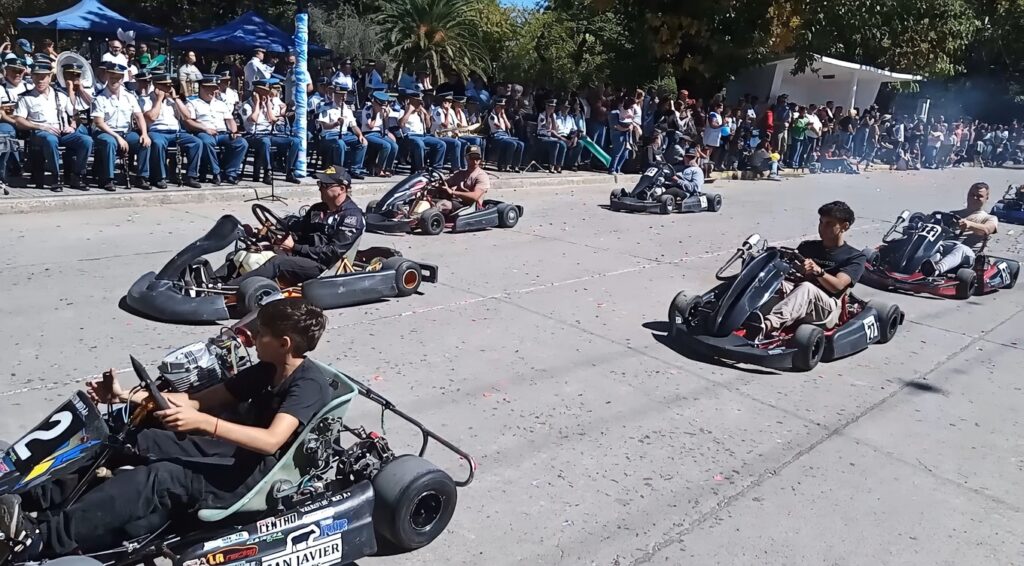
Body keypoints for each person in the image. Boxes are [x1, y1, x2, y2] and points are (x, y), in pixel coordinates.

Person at [0, 298, 333, 564]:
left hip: (258, 475)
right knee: (131, 439)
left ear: (284, 343)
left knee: (161, 478)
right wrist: (124, 395)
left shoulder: (308, 385)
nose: (254, 337)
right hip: (232, 452)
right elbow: (198, 401)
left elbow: (271, 441)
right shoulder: (267, 369)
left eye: (262, 333)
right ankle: (30, 494)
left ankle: (39, 540)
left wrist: (205, 424)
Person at [747, 201, 867, 340]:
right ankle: (739, 314)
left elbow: (838, 286)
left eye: (829, 224)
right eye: (821, 222)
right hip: (798, 292)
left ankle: (766, 326)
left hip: (828, 306)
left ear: (844, 227)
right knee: (770, 280)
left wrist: (818, 272)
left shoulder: (854, 256)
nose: (822, 227)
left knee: (806, 287)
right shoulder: (807, 247)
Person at [231, 167, 364, 286]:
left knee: (277, 262)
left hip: (324, 267)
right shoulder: (318, 209)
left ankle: (230, 288)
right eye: (320, 184)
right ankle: (220, 281)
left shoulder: (351, 217)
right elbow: (298, 229)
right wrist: (265, 232)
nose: (320, 188)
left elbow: (332, 253)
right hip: (303, 255)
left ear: (342, 189)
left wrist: (295, 247)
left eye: (325, 185)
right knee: (249, 251)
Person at [12, 61, 93, 191]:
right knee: (50, 140)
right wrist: (41, 127)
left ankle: (77, 176)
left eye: (43, 77)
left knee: (86, 141)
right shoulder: (26, 97)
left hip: (62, 131)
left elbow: (75, 114)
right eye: (37, 76)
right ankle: (56, 177)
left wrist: (72, 125)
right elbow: (19, 120)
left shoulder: (60, 95)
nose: (40, 80)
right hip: (40, 132)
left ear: (49, 77)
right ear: (32, 77)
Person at [91, 62, 152, 191]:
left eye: (118, 78)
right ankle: (108, 179)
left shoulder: (129, 96)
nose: (114, 80)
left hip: (126, 132)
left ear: (122, 78)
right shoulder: (100, 97)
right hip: (106, 132)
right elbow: (99, 122)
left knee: (144, 143)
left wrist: (144, 134)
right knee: (110, 142)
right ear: (107, 76)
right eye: (112, 77)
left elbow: (139, 116)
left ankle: (142, 177)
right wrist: (118, 137)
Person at [920, 182, 998, 277]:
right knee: (933, 244)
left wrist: (969, 225)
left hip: (969, 254)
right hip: (946, 246)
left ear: (986, 198)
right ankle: (916, 266)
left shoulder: (989, 218)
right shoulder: (953, 214)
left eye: (979, 196)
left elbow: (987, 229)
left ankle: (936, 269)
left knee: (961, 248)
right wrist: (928, 221)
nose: (974, 198)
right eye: (972, 195)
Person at [141, 74, 202, 189]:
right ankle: (159, 177)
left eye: (169, 86)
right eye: (164, 86)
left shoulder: (172, 101)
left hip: (176, 132)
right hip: (157, 131)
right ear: (156, 86)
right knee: (158, 143)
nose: (168, 88)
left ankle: (191, 176)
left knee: (196, 142)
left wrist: (175, 99)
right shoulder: (146, 100)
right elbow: (152, 117)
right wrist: (159, 100)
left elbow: (187, 116)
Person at [185, 74, 247, 185]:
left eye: (215, 89)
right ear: (202, 88)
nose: (213, 92)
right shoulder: (192, 103)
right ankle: (216, 172)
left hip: (222, 133)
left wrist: (234, 131)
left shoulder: (221, 104)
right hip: (204, 132)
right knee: (206, 142)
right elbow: (190, 122)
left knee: (241, 143)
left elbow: (229, 120)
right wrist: (205, 129)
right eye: (210, 88)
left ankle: (230, 173)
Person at [241, 79, 301, 184]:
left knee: (295, 141)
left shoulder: (267, 104)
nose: (266, 95)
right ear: (255, 92)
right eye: (263, 92)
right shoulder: (246, 105)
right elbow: (254, 119)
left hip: (269, 134)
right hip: (253, 135)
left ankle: (290, 172)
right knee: (265, 142)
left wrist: (268, 106)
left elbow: (272, 120)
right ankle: (267, 172)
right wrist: (257, 104)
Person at [317, 86, 368, 178]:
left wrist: (360, 135)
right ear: (335, 95)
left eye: (344, 95)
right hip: (329, 135)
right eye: (340, 95)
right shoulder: (326, 107)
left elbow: (353, 125)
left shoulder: (347, 110)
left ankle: (355, 170)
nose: (343, 97)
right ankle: (338, 170)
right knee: (340, 144)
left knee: (362, 143)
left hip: (344, 134)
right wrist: (336, 123)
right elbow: (325, 126)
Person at [1, 54, 30, 191]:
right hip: (8, 121)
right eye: (14, 71)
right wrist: (16, 122)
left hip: (30, 121)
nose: (17, 74)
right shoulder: (1, 88)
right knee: (6, 131)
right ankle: (14, 166)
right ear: (6, 71)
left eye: (20, 71)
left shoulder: (29, 86)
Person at [398, 90, 445, 173]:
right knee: (419, 144)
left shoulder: (420, 112)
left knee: (441, 144)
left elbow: (428, 126)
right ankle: (420, 168)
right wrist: (409, 111)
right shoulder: (404, 110)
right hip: (409, 136)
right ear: (411, 100)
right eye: (417, 101)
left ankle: (437, 169)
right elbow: (401, 124)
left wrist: (426, 115)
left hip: (422, 135)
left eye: (420, 101)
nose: (419, 103)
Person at [436, 144, 489, 213]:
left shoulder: (482, 176)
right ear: (466, 158)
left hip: (471, 207)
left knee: (443, 205)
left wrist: (453, 192)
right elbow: (446, 182)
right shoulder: (460, 174)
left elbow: (475, 196)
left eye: (477, 158)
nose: (475, 161)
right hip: (456, 203)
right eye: (472, 157)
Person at [361, 91, 399, 177]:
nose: (382, 107)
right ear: (375, 103)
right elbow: (370, 126)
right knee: (386, 146)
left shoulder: (383, 110)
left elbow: (386, 126)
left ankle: (388, 168)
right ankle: (379, 168)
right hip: (369, 134)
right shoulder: (367, 109)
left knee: (394, 146)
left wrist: (386, 116)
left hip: (380, 134)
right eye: (380, 105)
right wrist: (376, 113)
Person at [430, 92, 468, 173]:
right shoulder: (437, 111)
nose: (450, 104)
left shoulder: (451, 111)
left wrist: (458, 130)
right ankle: (456, 168)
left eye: (451, 102)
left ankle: (464, 166)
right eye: (448, 101)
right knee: (456, 143)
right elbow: (445, 125)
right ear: (443, 102)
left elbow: (456, 124)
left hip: (449, 135)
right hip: (439, 136)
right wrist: (447, 112)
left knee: (464, 143)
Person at [487, 97, 523, 172]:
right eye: (501, 107)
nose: (502, 109)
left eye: (503, 107)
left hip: (504, 136)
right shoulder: (492, 116)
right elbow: (499, 126)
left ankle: (515, 165)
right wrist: (500, 117)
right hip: (497, 136)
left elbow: (509, 127)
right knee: (512, 144)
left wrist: (504, 117)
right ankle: (506, 165)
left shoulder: (502, 116)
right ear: (496, 107)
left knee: (521, 144)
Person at [535, 99, 567, 173]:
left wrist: (552, 118)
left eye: (553, 106)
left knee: (562, 144)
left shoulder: (554, 116)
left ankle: (558, 165)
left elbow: (555, 129)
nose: (552, 108)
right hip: (542, 137)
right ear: (546, 106)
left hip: (550, 137)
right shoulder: (542, 116)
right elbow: (546, 129)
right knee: (555, 144)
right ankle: (551, 165)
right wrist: (549, 118)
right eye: (550, 106)